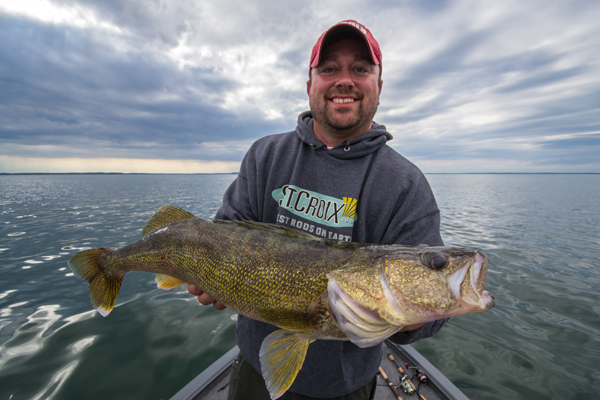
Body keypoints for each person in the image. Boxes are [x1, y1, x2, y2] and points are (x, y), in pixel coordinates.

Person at [188, 20, 446, 400]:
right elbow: (225, 232)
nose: (344, 80)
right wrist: (209, 276)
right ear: (310, 85)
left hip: (343, 387)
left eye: (360, 68)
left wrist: (403, 318)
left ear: (379, 85)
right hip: (254, 371)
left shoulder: (406, 185)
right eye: (329, 69)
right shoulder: (265, 155)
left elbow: (432, 314)